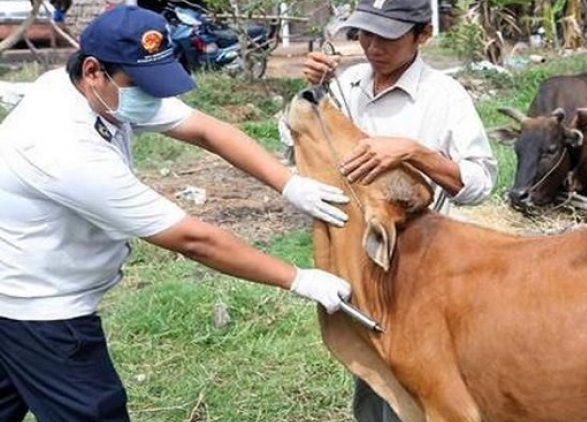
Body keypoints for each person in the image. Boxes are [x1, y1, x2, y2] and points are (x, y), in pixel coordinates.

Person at [0, 5, 354, 422]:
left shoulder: (89, 89)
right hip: (39, 307)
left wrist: (288, 182)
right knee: (95, 413)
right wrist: (298, 278)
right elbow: (194, 240)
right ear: (93, 70)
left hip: (20, 278)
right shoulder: (62, 147)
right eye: (140, 84)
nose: (151, 97)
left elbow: (207, 129)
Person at [298, 0, 498, 421]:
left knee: (426, 383)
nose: (372, 46)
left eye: (386, 36)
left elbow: (478, 183)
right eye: (364, 34)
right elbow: (309, 145)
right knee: (373, 371)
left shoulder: (444, 96)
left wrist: (415, 152)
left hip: (425, 264)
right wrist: (315, 92)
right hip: (360, 258)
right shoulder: (347, 85)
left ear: (422, 34)